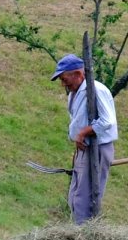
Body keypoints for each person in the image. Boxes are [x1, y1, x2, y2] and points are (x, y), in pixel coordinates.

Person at [50, 53, 119, 225]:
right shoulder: (74, 93)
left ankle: (85, 235)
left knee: (86, 198)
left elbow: (107, 121)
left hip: (98, 149)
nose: (63, 83)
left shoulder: (96, 90)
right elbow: (79, 121)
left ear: (78, 74)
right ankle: (76, 231)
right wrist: (78, 143)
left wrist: (84, 133)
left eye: (65, 79)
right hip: (84, 149)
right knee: (74, 195)